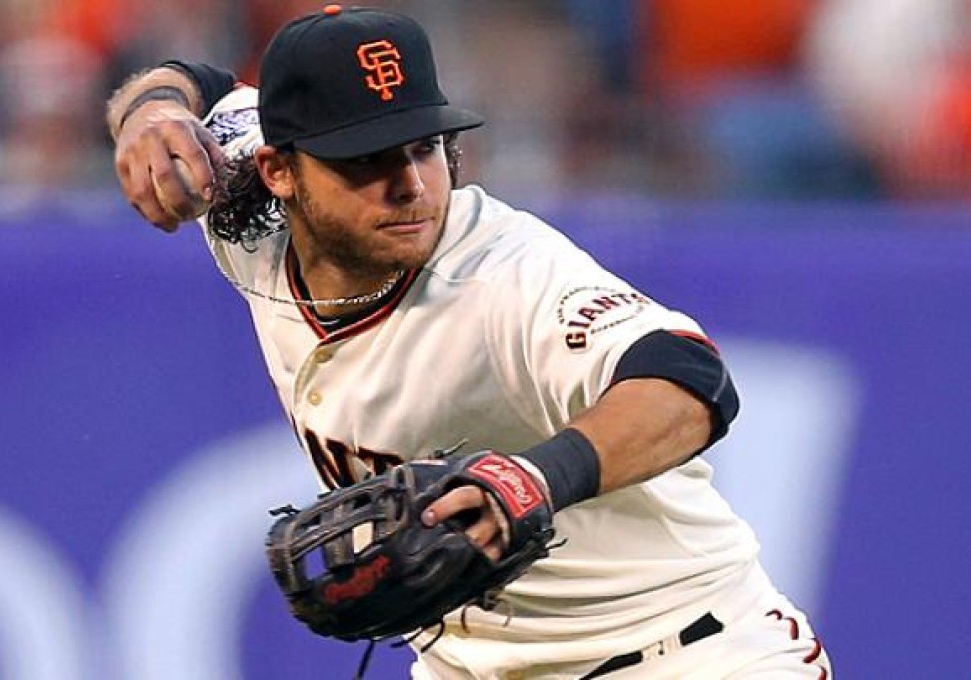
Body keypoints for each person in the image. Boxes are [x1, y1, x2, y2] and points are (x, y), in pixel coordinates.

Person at [107, 5, 832, 679]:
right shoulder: (247, 212)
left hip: (682, 652)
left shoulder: (503, 274)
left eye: (424, 147)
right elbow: (194, 86)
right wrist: (150, 111)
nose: (412, 185)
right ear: (279, 171)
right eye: (366, 158)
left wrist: (537, 479)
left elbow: (690, 381)